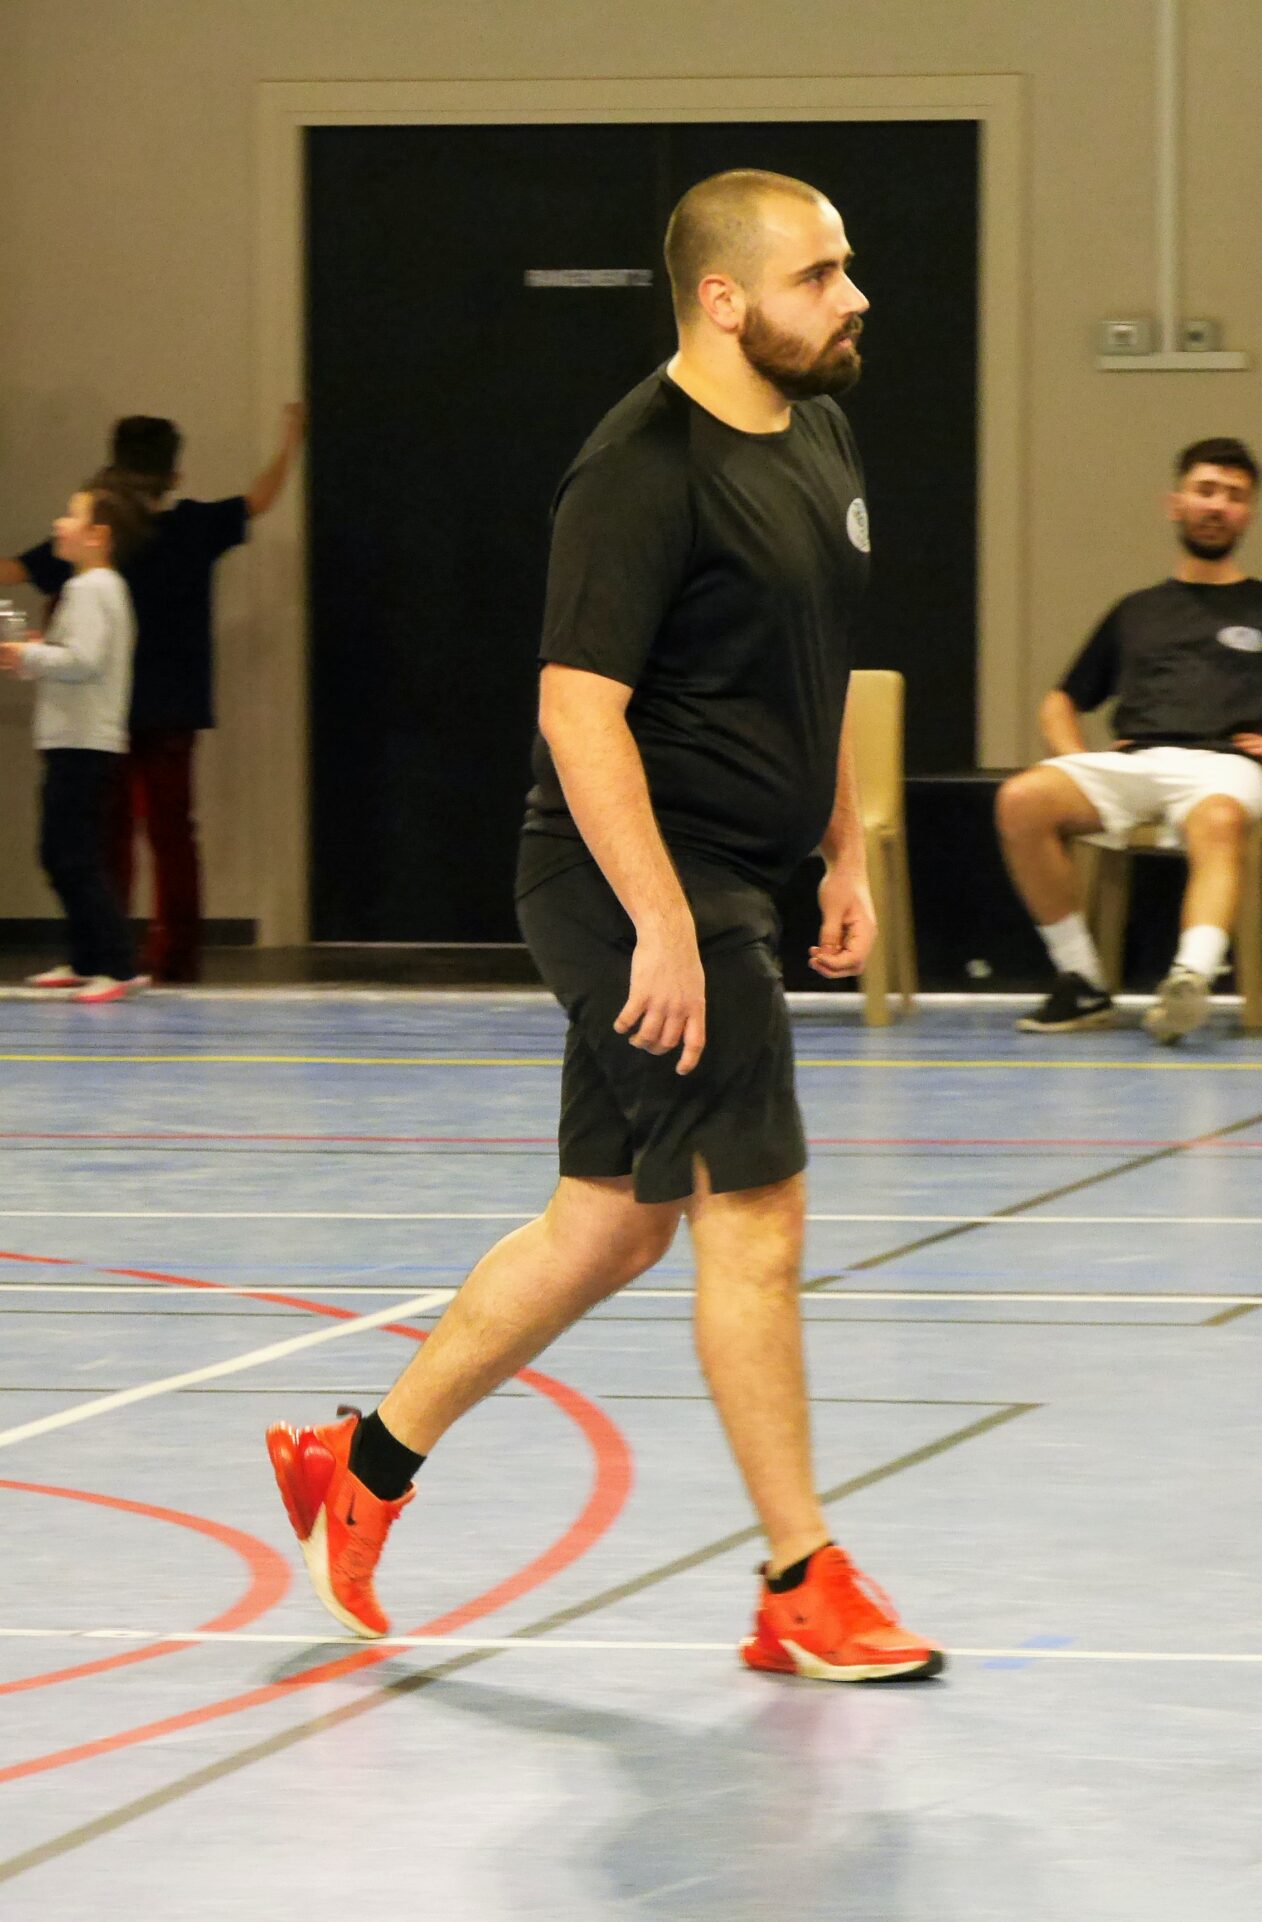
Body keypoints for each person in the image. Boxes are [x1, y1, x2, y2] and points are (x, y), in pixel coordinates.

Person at [263, 168, 940, 1681]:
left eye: (847, 268)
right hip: (628, 878)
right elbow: (579, 715)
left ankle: (357, 1465)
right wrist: (665, 924)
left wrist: (843, 849)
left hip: (732, 881)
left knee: (609, 1222)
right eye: (821, 274)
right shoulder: (639, 467)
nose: (854, 296)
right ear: (722, 298)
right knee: (754, 1214)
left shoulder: (817, 431)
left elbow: (813, 669)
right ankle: (797, 1579)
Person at [995, 438, 1262, 1042]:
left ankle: (1191, 978)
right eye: (1206, 490)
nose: (1218, 505)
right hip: (1138, 759)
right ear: (1175, 503)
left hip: (1228, 765)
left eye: (1234, 496)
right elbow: (1060, 701)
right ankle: (1081, 981)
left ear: (1249, 513)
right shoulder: (1136, 610)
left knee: (1216, 821)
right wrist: (1075, 757)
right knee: (1021, 801)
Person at [2, 405, 306, 983]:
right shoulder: (190, 527)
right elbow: (258, 501)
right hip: (172, 705)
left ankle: (106, 948)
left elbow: (15, 569)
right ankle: (171, 956)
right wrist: (290, 442)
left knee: (105, 833)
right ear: (175, 477)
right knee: (169, 832)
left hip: (104, 709)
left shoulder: (100, 544)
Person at [0, 479, 145, 1003]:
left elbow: (83, 662)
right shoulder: (101, 589)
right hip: (80, 740)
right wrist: (40, 652)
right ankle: (89, 958)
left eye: (71, 515)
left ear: (97, 535)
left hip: (82, 744)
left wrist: (29, 655)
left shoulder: (91, 589)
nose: (59, 524)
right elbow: (83, 657)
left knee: (71, 854)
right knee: (66, 851)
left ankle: (117, 963)